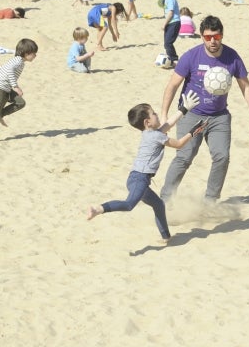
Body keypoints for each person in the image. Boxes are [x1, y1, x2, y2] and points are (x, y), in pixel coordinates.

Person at [159, 16, 249, 203]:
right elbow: (172, 85)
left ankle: (210, 201)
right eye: (208, 37)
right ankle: (165, 200)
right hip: (190, 114)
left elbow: (245, 86)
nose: (213, 41)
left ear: (222, 35)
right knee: (184, 157)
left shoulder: (232, 57)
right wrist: (165, 115)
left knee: (222, 157)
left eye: (216, 36)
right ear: (201, 36)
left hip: (219, 117)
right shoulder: (191, 56)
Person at [86, 92, 204, 242]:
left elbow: (168, 125)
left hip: (139, 179)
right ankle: (98, 209)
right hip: (139, 179)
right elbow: (179, 144)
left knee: (158, 204)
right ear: (148, 122)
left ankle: (166, 237)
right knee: (129, 205)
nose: (157, 115)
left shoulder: (151, 133)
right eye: (154, 113)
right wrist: (194, 132)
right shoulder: (156, 136)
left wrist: (184, 109)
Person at [0, 38, 38, 141]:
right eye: (34, 53)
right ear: (26, 53)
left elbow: (0, 68)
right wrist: (16, 87)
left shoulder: (18, 60)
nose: (35, 56)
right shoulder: (18, 61)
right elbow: (8, 70)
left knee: (21, 102)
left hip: (4, 88)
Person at [158, 0, 181, 66]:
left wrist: (164, 24)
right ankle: (170, 59)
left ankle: (174, 59)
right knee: (166, 43)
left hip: (174, 22)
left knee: (168, 42)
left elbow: (171, 13)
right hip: (170, 23)